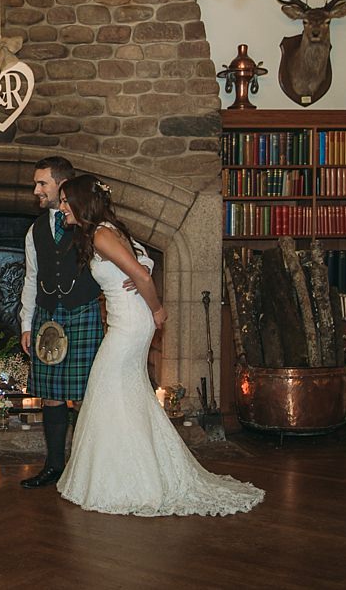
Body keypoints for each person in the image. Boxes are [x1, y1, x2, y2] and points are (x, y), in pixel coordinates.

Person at [55, 175, 264, 516]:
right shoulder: (111, 230)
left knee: (107, 387)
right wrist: (137, 283)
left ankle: (132, 481)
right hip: (129, 322)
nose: (61, 207)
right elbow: (141, 266)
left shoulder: (102, 234)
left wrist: (157, 309)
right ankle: (131, 471)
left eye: (65, 201)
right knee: (124, 392)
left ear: (80, 203)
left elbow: (143, 276)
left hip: (133, 325)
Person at [17, 155, 104, 489]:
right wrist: (27, 323)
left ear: (62, 185)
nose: (36, 189)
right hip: (46, 315)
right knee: (51, 396)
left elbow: (135, 254)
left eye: (42, 183)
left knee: (82, 396)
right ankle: (54, 467)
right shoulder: (35, 229)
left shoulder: (89, 223)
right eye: (36, 183)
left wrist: (141, 275)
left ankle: (85, 469)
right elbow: (31, 277)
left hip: (81, 311)